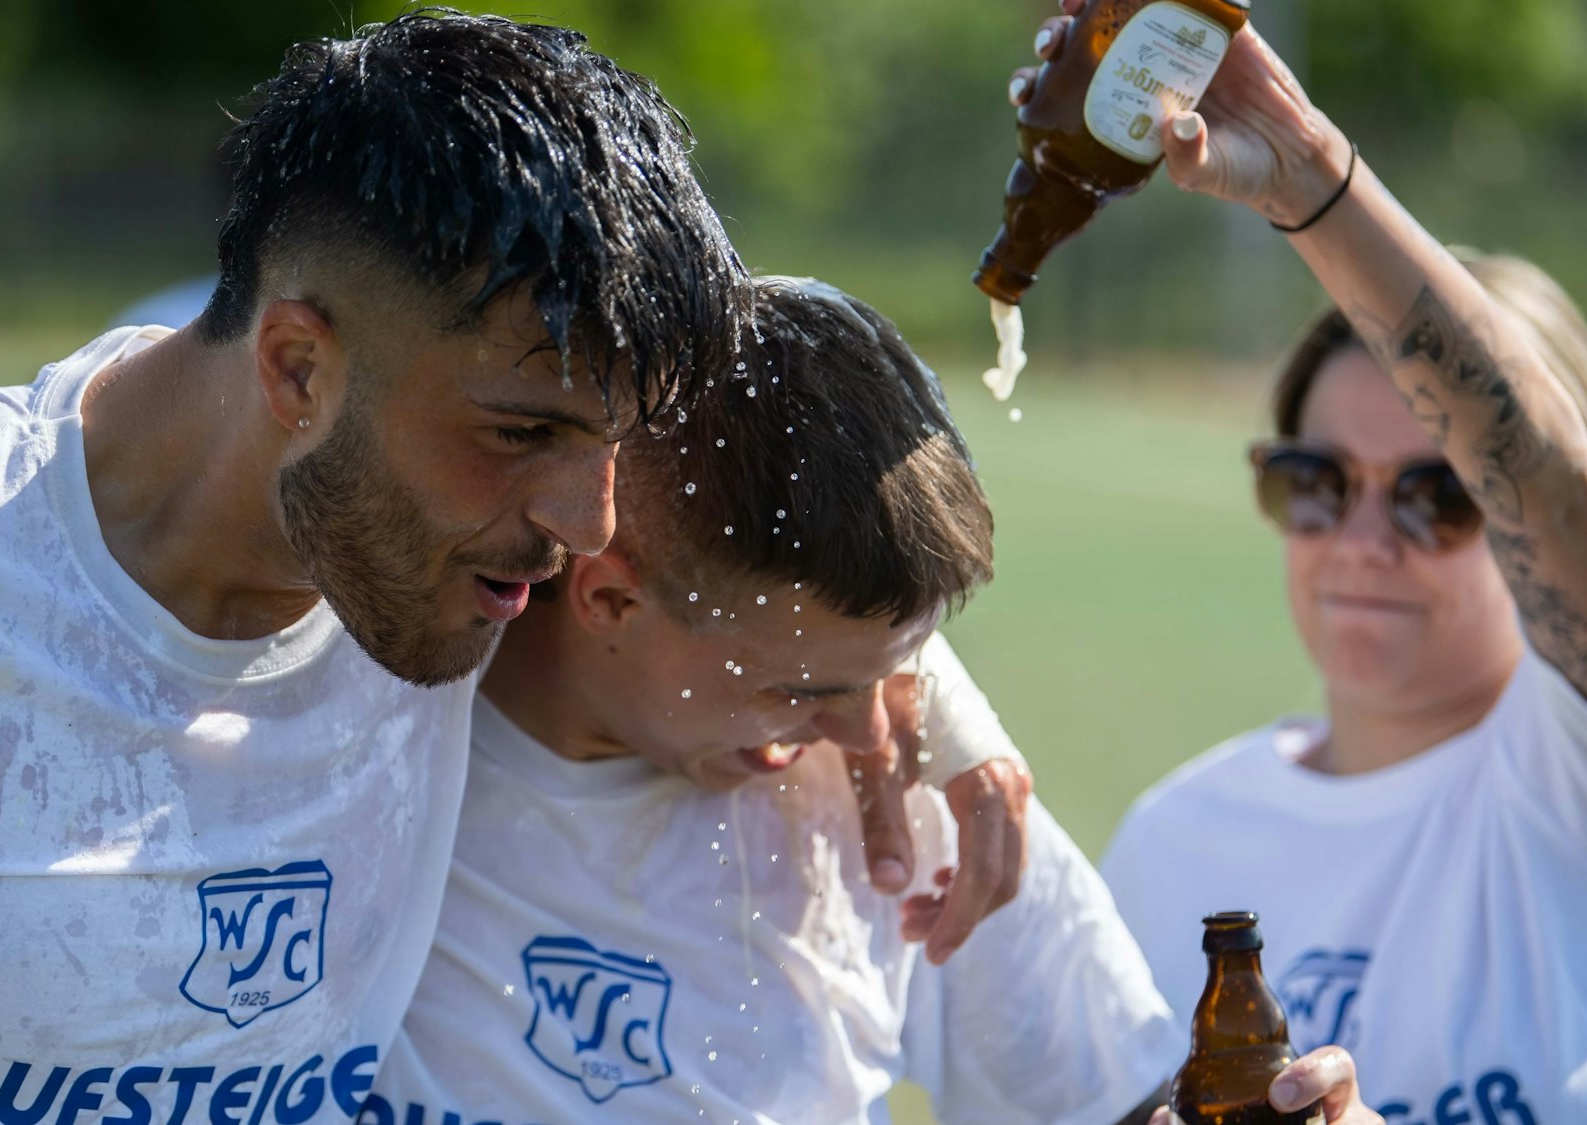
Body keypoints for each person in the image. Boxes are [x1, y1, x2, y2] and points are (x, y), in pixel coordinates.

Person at [0, 13, 753, 1123]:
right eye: (519, 433)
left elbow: (841, 527)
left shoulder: (465, 579)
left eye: (616, 441)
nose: (590, 526)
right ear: (299, 368)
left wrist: (923, 716)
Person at [360, 276, 1183, 1125]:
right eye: (805, 688)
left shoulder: (912, 792)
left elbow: (1121, 1100)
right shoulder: (365, 730)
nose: (871, 731)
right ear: (608, 600)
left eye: (899, 669)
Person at [1003, 2, 1587, 1121]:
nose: (1362, 543)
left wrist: (1303, 173)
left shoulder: (1584, 774)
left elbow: (1553, 486)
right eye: (1315, 482)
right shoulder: (1177, 837)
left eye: (1439, 493)